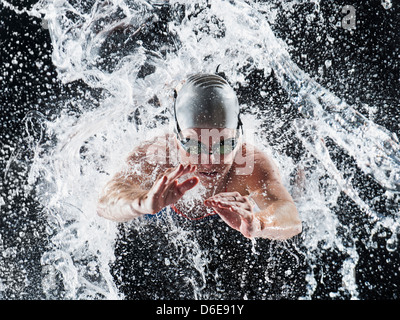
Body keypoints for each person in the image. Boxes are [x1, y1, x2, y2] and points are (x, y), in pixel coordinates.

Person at [97, 73, 302, 240]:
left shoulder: (249, 163)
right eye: (195, 146)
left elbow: (290, 216)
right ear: (176, 139)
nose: (210, 161)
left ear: (238, 137)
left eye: (224, 145)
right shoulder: (157, 156)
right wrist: (141, 202)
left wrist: (258, 223)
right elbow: (105, 202)